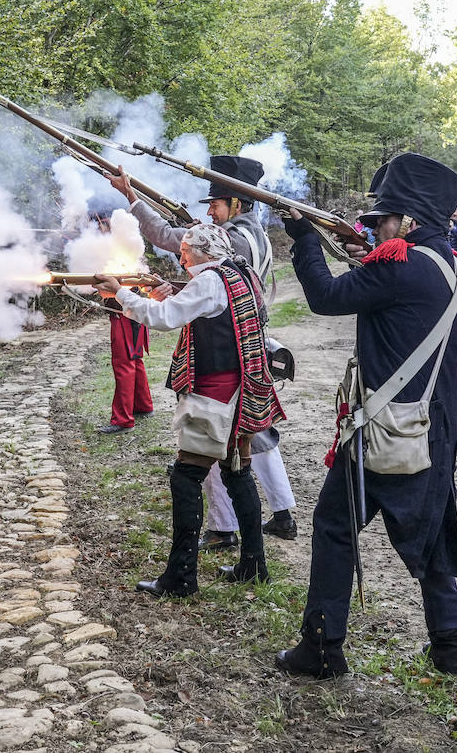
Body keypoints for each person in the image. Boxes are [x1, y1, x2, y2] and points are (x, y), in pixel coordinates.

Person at [275, 153, 457, 679]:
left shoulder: (400, 267)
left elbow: (324, 297)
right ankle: (452, 644)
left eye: (384, 219)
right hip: (433, 427)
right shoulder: (452, 266)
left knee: (334, 526)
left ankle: (322, 647)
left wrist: (305, 239)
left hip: (386, 431)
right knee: (430, 528)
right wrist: (368, 253)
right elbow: (389, 292)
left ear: (409, 222)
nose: (375, 226)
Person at [109, 156, 298, 549]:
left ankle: (226, 527)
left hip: (230, 351)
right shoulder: (244, 234)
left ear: (238, 205)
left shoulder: (235, 240)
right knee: (252, 436)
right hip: (241, 339)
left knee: (211, 439)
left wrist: (131, 292)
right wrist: (179, 289)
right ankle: (279, 514)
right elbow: (210, 290)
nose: (209, 213)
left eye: (216, 205)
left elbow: (205, 283)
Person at [96, 224, 285, 596]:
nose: (181, 257)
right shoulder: (238, 271)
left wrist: (120, 293)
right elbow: (199, 305)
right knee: (237, 474)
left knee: (185, 478)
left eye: (185, 251)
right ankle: (253, 564)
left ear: (200, 252)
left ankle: (181, 577)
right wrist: (162, 292)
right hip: (242, 394)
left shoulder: (210, 281)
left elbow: (164, 318)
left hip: (217, 396)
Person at [100, 311, 154, 433]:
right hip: (130, 311)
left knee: (124, 363)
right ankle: (142, 406)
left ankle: (123, 420)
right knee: (134, 360)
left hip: (125, 314)